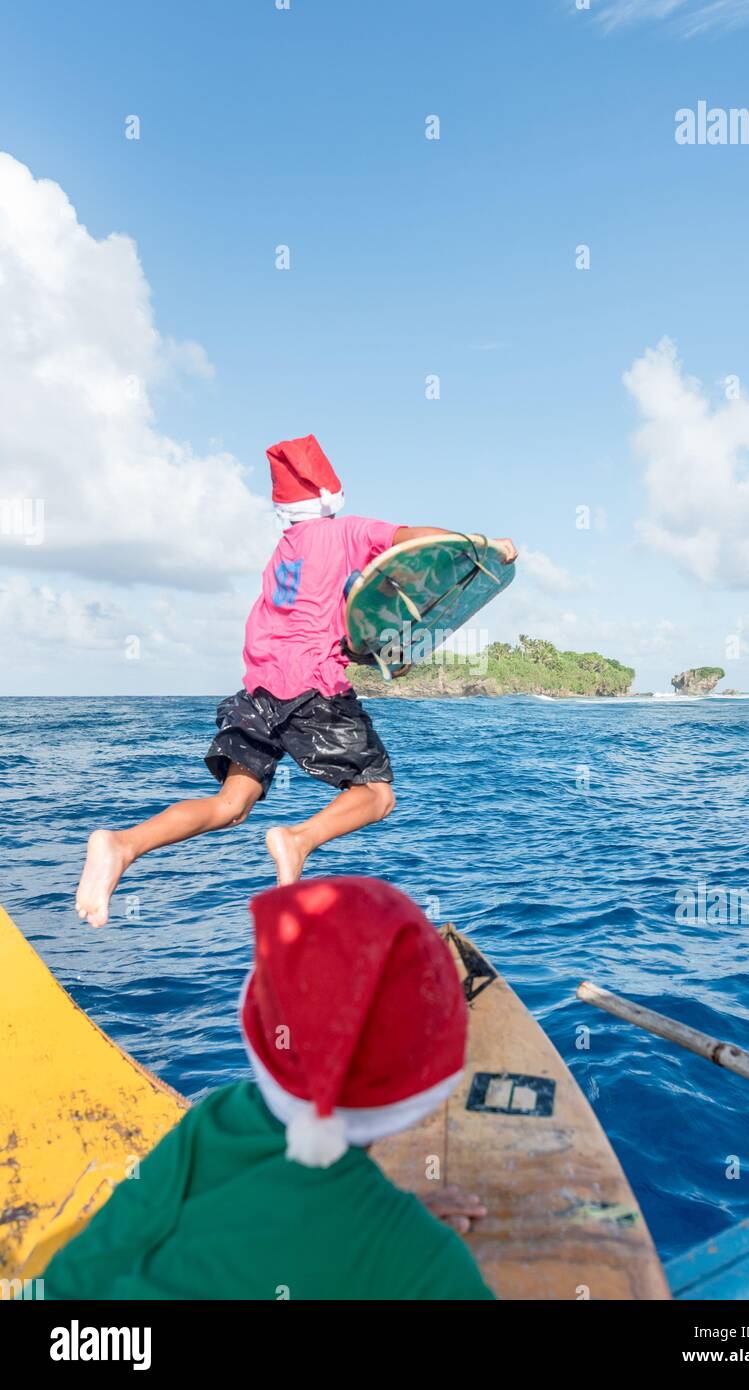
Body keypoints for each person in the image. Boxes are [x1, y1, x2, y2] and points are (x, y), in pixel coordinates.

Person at [75, 434, 518, 926]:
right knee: (376, 793)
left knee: (231, 805)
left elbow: (322, 624)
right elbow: (418, 540)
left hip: (257, 692)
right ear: (330, 495)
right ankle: (298, 840)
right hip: (311, 688)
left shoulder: (282, 557)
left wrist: (376, 650)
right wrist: (485, 545)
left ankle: (121, 845)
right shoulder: (347, 531)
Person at [44, 877, 495, 1301]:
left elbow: (85, 1267)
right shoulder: (428, 1264)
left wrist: (394, 1217)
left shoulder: (219, 1119)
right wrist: (401, 1229)